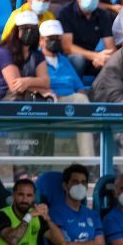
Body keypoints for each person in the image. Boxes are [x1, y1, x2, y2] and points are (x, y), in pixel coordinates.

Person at [39, 20, 95, 156]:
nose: (55, 41)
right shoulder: (37, 59)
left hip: (70, 102)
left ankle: (88, 161)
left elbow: (79, 87)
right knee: (82, 100)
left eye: (57, 38)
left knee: (84, 101)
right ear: (41, 40)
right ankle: (89, 160)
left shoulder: (64, 60)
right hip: (49, 102)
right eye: (50, 38)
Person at [0, 11, 52, 102]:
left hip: (18, 99)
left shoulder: (37, 55)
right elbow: (16, 87)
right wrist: (42, 90)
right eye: (25, 28)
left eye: (33, 29)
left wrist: (27, 81)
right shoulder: (5, 52)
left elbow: (46, 81)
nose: (29, 32)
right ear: (17, 31)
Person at [58, 0, 116, 79]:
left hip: (93, 59)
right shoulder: (65, 13)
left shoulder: (103, 15)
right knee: (78, 59)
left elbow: (110, 47)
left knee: (111, 61)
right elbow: (67, 47)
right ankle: (75, 90)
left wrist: (105, 58)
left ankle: (104, 92)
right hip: (69, 58)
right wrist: (95, 56)